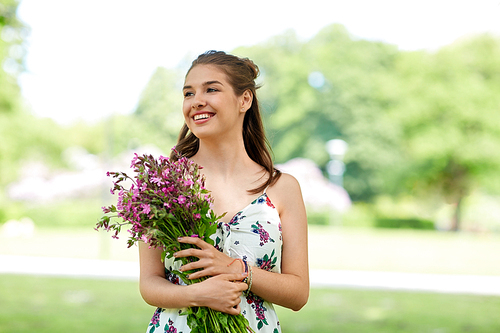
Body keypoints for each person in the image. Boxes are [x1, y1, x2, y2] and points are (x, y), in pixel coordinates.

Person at [138, 50, 309, 333]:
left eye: (211, 89)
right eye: (188, 93)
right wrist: (196, 295)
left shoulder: (282, 188)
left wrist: (237, 269)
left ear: (245, 99)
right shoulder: (164, 184)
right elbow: (149, 282)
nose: (196, 101)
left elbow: (299, 293)